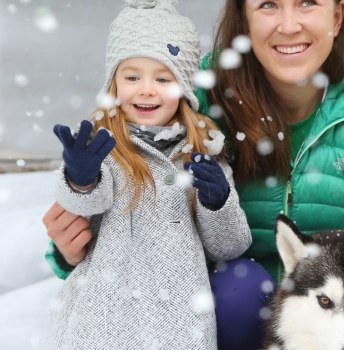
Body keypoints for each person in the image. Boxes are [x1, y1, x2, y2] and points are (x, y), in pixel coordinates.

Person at [43, 0, 344, 348]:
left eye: (307, 3)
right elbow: (120, 172)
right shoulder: (189, 97)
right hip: (221, 308)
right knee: (239, 285)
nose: (288, 24)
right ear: (243, 19)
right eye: (267, 4)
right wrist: (71, 244)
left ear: (337, 15)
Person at [43, 1, 252, 349]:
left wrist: (218, 202)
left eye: (163, 78)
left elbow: (228, 246)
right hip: (102, 318)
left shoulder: (201, 153)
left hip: (178, 321)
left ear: (183, 88)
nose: (146, 89)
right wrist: (81, 179)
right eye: (132, 77)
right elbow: (87, 203)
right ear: (114, 83)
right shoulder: (102, 148)